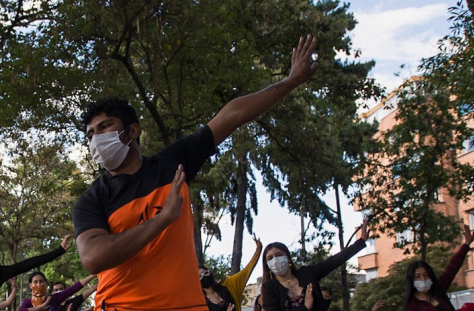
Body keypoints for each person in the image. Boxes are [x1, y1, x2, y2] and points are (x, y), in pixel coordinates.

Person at [72, 35, 322, 311]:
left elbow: (232, 114)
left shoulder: (172, 163)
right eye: (90, 134)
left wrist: (289, 82)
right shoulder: (91, 200)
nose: (96, 138)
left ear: (132, 131)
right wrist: (163, 219)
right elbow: (93, 257)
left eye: (105, 126)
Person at [261, 225, 369, 311]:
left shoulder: (307, 273)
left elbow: (334, 261)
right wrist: (305, 307)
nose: (275, 260)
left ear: (288, 258)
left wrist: (360, 243)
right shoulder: (268, 288)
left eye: (279, 255)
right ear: (267, 264)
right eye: (270, 258)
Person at [398, 226, 474, 311]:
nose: (422, 279)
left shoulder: (438, 288)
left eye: (426, 275)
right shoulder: (412, 305)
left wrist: (466, 244)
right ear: (411, 280)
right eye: (417, 276)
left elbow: (453, 266)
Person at [201, 238, 263, 309]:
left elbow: (247, 270)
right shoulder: (200, 302)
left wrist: (258, 249)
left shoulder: (228, 285)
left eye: (205, 273)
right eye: (199, 276)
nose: (203, 276)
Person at [18, 273, 97, 311]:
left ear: (46, 283)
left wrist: (95, 274)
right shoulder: (27, 303)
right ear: (30, 285)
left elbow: (74, 288)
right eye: (35, 282)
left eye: (41, 281)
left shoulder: (54, 298)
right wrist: (40, 308)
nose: (39, 285)